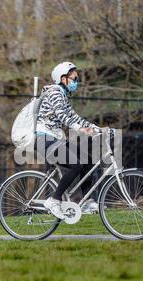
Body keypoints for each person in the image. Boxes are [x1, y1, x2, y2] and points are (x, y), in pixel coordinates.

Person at [35, 61, 103, 220]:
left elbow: (74, 117)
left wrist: (98, 128)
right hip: (44, 139)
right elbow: (62, 116)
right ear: (63, 78)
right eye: (74, 79)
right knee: (76, 165)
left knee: (88, 160)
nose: (76, 82)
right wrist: (81, 129)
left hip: (55, 138)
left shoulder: (63, 95)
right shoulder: (54, 93)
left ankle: (86, 201)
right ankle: (54, 200)